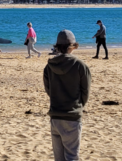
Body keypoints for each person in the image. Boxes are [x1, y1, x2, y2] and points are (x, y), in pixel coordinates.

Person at [44, 30, 91, 161]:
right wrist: (77, 106)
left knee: (59, 158)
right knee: (71, 156)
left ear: (57, 46)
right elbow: (85, 92)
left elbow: (49, 91)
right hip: (72, 116)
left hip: (55, 116)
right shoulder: (80, 66)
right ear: (73, 46)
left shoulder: (49, 66)